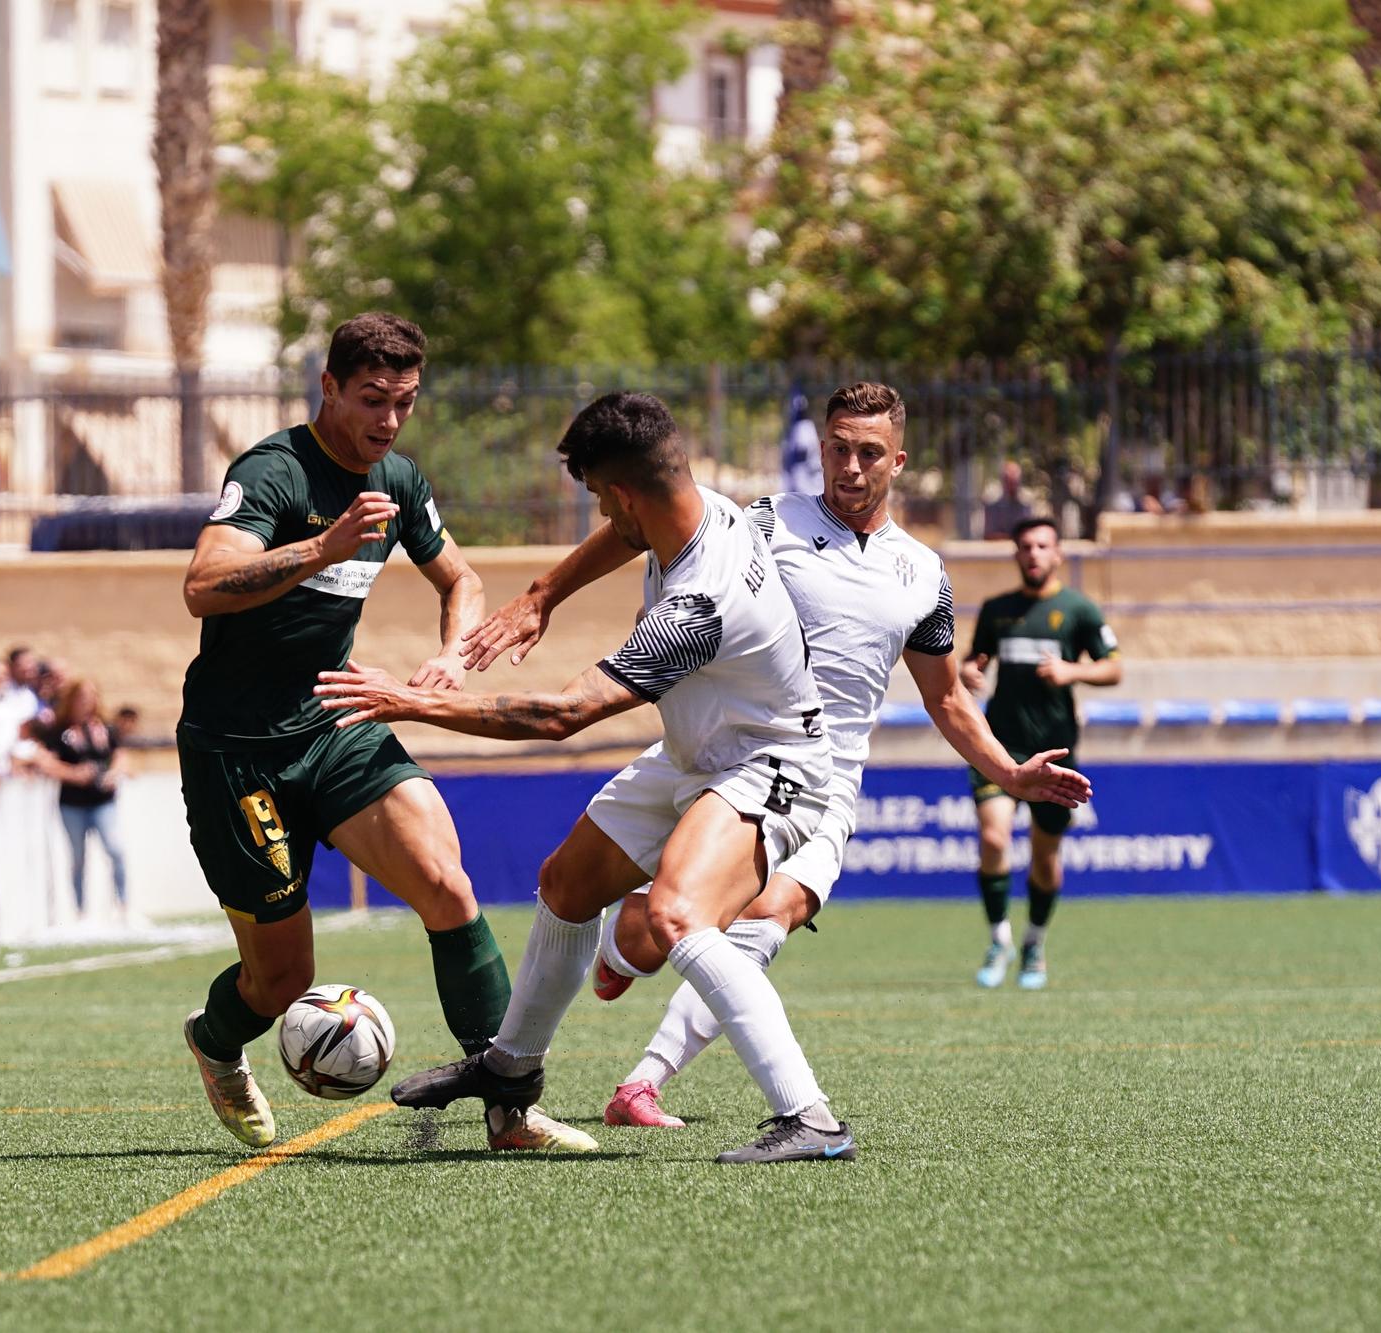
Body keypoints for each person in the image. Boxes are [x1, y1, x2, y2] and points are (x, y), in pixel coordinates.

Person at [459, 383, 1093, 1128]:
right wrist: (544, 592)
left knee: (761, 918)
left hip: (822, 781)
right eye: (837, 449)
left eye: (868, 454)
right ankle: (613, 971)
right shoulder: (765, 519)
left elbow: (948, 701)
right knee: (646, 920)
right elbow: (641, 525)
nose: (850, 468)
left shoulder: (924, 575)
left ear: (900, 461)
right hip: (720, 746)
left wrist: (1011, 772)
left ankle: (646, 1081)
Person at [320, 391, 853, 1165]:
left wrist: (409, 702)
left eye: (604, 498)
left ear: (629, 494)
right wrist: (542, 594)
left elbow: (561, 716)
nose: (603, 512)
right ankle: (511, 1065)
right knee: (567, 884)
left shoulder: (703, 603)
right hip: (696, 752)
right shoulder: (700, 504)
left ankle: (811, 1119)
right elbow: (623, 539)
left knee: (676, 916)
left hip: (772, 764)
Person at [175, 311, 578, 1153]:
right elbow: (204, 585)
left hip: (337, 719)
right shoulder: (275, 471)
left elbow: (459, 576)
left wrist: (450, 658)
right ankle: (215, 1041)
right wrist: (320, 549)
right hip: (236, 748)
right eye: (370, 400)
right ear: (329, 388)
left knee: (447, 884)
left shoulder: (398, 479)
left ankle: (510, 1104)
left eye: (403, 402)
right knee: (284, 978)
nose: (387, 422)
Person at [963, 516, 1123, 990]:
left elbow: (1115, 669)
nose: (1033, 553)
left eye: (1042, 546)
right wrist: (970, 672)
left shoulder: (1079, 610)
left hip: (1055, 750)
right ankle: (999, 940)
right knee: (994, 839)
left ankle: (1034, 942)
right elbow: (976, 662)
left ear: (1058, 555)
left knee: (1044, 856)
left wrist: (1073, 673)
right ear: (1016, 554)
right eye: (1025, 545)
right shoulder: (997, 610)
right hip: (999, 747)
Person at [30, 677, 129, 919]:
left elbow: (121, 755)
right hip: (72, 803)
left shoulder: (104, 729)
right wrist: (73, 774)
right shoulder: (61, 733)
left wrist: (113, 773)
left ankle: (123, 905)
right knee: (77, 857)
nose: (87, 702)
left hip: (103, 800)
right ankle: (80, 910)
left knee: (115, 849)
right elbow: (45, 761)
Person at [981, 460, 1032, 540]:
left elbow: (1030, 531)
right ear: (1003, 481)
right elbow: (989, 535)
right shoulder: (992, 502)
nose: (1013, 485)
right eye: (1009, 481)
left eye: (1015, 481)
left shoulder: (1026, 501)